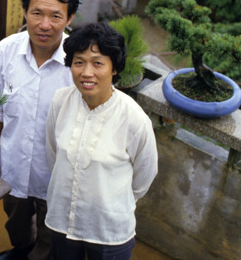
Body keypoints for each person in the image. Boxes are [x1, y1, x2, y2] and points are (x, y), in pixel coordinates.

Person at [45, 23, 158, 260]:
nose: (87, 72)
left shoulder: (134, 120)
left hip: (108, 229)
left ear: (114, 68)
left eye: (98, 63)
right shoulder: (60, 101)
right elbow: (53, 154)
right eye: (79, 62)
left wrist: (114, 200)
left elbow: (144, 177)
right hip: (62, 219)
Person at [0, 0, 80, 260]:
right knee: (15, 222)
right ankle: (22, 250)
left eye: (55, 16)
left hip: (56, 173)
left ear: (69, 18)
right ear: (24, 12)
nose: (44, 24)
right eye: (37, 13)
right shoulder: (6, 50)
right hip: (13, 163)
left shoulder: (78, 63)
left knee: (52, 233)